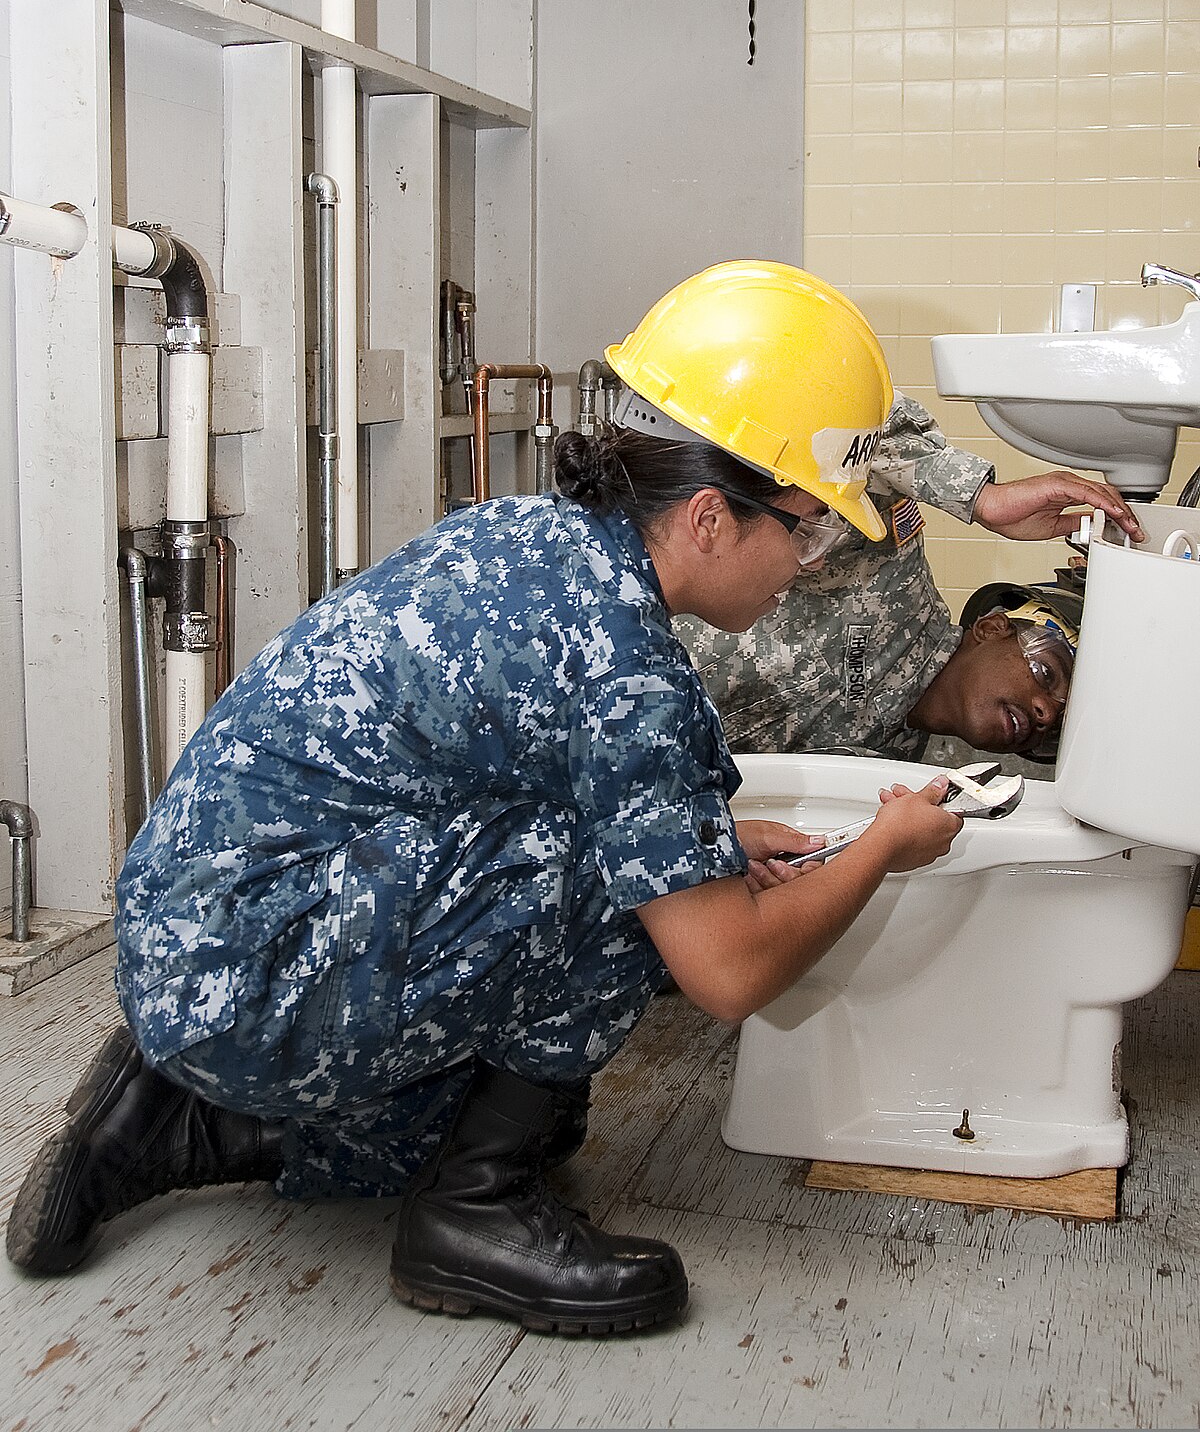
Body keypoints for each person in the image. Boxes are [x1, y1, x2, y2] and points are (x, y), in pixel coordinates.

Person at [6, 261, 963, 1339]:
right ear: (708, 517)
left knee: (512, 1115)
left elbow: (484, 772)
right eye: (811, 527)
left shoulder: (526, 533)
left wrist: (707, 843)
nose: (809, 560)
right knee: (618, 896)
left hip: (194, 934)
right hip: (253, 972)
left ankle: (169, 1122)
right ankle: (474, 1214)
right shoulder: (628, 671)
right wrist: (885, 844)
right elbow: (730, 971)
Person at [678, 393, 1128, 764]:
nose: (1046, 711)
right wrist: (979, 497)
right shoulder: (895, 583)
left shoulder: (886, 773)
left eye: (1059, 718)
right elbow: (857, 415)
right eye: (1045, 674)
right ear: (992, 628)